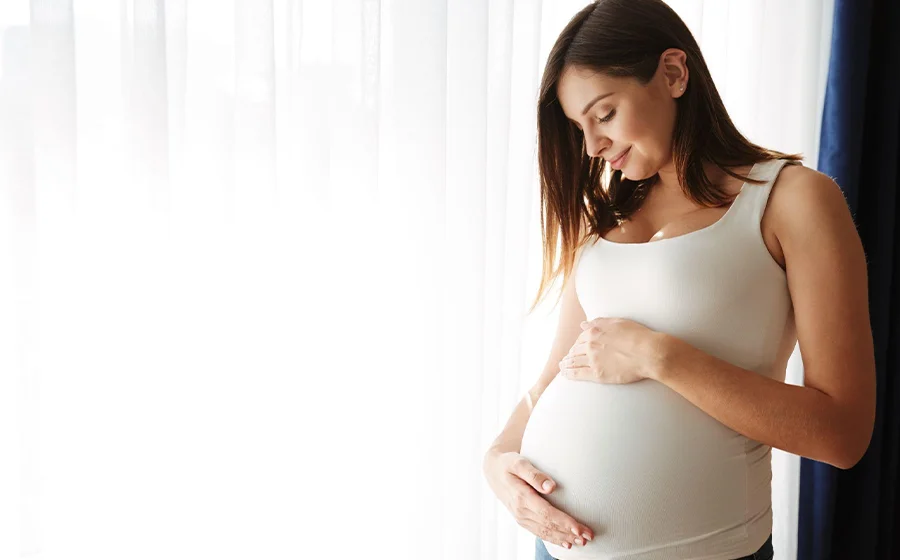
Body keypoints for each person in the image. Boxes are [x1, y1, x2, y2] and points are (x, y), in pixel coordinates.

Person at [481, 0, 876, 559]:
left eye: (604, 113)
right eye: (578, 127)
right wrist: (497, 461)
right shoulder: (604, 222)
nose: (591, 147)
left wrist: (659, 356)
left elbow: (843, 433)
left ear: (672, 73)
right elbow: (555, 375)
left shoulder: (791, 200)